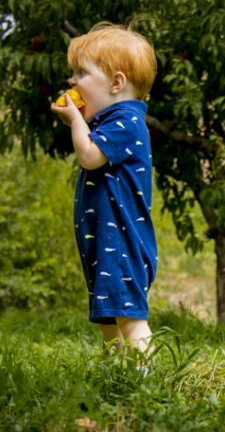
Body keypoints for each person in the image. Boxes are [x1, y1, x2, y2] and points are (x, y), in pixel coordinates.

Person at [51, 22, 158, 360]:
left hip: (123, 242)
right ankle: (116, 382)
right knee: (110, 322)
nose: (73, 81)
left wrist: (76, 122)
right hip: (105, 240)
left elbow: (89, 156)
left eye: (82, 73)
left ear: (116, 83)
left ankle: (147, 384)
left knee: (130, 319)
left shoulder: (126, 120)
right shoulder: (109, 121)